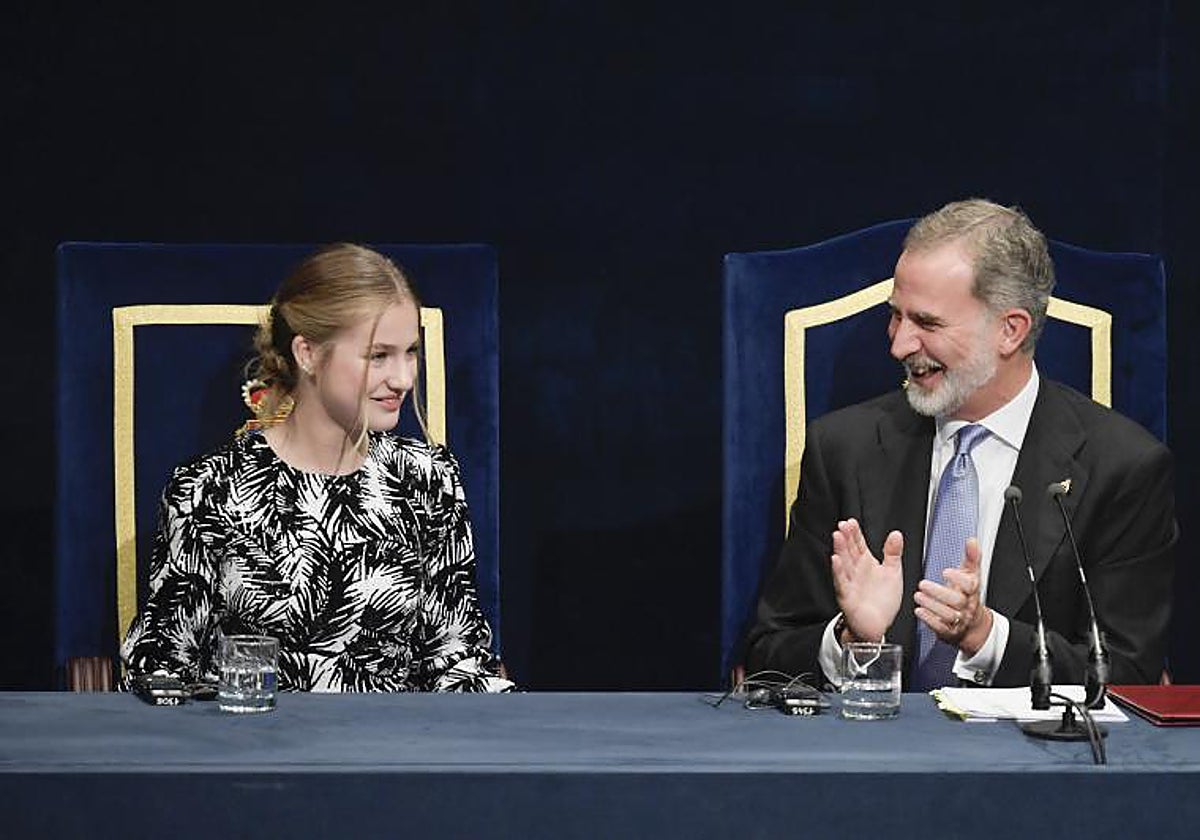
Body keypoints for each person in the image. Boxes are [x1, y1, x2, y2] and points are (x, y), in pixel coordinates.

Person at [745, 199, 1177, 690]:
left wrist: (987, 638)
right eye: (896, 317)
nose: (899, 345)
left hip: (1034, 762)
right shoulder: (845, 448)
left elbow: (1130, 676)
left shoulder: (1120, 467)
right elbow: (766, 655)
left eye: (926, 324)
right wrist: (851, 637)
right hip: (870, 756)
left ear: (1010, 330)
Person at [121, 243, 512, 692]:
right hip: (250, 752)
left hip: (394, 753)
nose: (403, 378)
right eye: (378, 356)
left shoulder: (429, 479)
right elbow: (160, 666)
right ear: (306, 354)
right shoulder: (207, 489)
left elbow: (456, 660)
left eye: (410, 352)